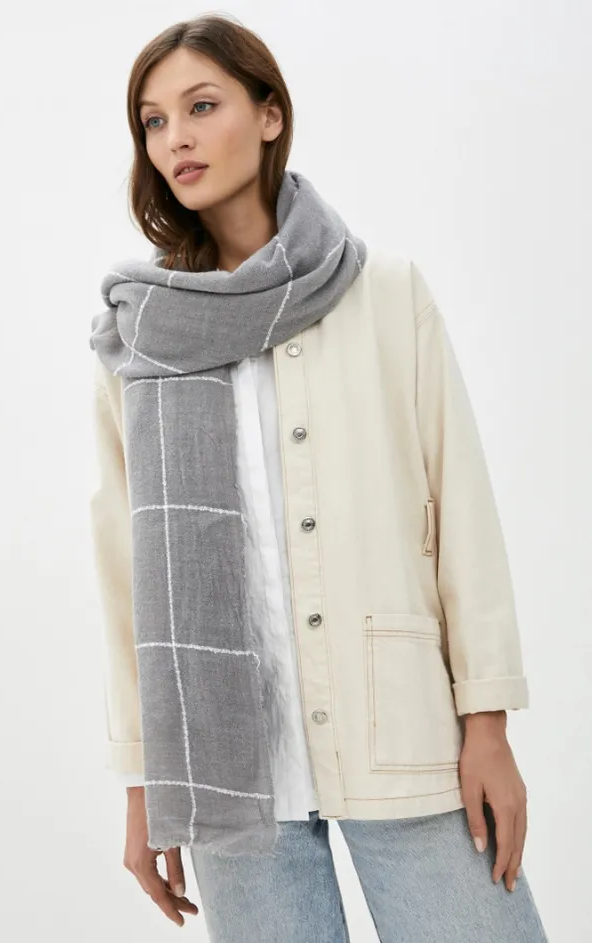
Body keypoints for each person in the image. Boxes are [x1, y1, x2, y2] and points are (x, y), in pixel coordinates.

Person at [88, 13, 550, 942]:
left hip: (401, 731)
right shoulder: (142, 335)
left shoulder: (384, 292)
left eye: (202, 106)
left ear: (270, 114)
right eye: (153, 121)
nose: (175, 138)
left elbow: (461, 511)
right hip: (226, 768)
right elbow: (126, 575)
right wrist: (145, 779)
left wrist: (488, 723)